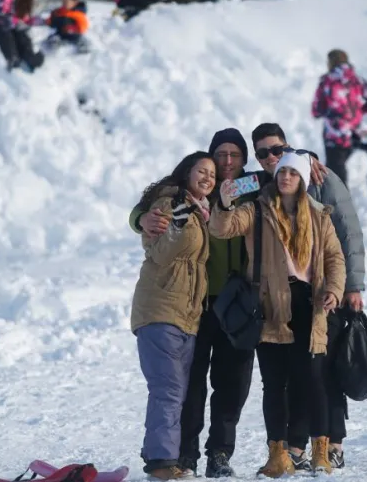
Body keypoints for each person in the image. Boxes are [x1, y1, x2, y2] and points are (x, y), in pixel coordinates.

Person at [128, 129, 257, 478]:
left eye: (235, 155)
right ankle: (181, 455)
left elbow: (284, 175)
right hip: (194, 303)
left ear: (244, 160)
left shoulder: (246, 188)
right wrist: (138, 218)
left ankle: (219, 453)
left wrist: (310, 162)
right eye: (220, 155)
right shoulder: (193, 198)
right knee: (187, 384)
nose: (227, 162)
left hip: (238, 301)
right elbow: (150, 209)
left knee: (232, 383)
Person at [210, 151, 346, 477]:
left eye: (293, 174)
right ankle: (278, 454)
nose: (286, 178)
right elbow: (222, 228)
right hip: (269, 304)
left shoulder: (318, 216)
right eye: (282, 172)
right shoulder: (257, 209)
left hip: (308, 304)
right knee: (273, 384)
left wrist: (334, 290)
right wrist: (226, 203)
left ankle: (320, 452)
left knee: (313, 379)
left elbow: (334, 258)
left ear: (302, 181)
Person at [248, 123, 365, 470]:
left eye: (277, 150)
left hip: (328, 289)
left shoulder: (320, 177)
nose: (270, 157)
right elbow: (216, 190)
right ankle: (296, 445)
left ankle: (334, 443)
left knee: (324, 372)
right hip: (284, 295)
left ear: (287, 147)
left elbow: (348, 229)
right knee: (299, 372)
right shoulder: (261, 184)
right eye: (263, 153)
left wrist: (351, 286)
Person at [131, 151, 217, 481]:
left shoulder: (199, 210)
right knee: (167, 389)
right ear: (186, 173)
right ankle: (161, 463)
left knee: (176, 391)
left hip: (186, 314)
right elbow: (163, 251)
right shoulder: (171, 205)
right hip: (161, 308)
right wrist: (177, 221)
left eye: (211, 173)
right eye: (201, 171)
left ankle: (163, 456)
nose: (208, 177)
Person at [311, 49, 367, 185]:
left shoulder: (327, 81)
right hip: (355, 133)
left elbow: (316, 110)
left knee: (335, 179)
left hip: (335, 136)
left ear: (331, 62)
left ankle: (340, 204)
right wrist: (361, 110)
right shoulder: (357, 80)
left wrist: (330, 112)